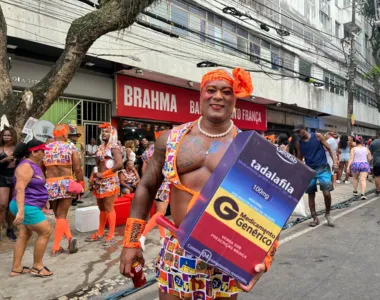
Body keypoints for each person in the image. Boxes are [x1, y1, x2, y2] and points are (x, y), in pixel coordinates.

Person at [120, 68, 278, 299]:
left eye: (226, 91)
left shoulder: (249, 148)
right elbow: (146, 186)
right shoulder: (171, 139)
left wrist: (264, 257)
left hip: (225, 253)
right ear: (201, 95)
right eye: (211, 90)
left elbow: (269, 206)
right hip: (178, 246)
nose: (218, 96)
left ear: (235, 99)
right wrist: (132, 242)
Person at [9, 139, 53, 277]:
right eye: (43, 151)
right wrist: (21, 212)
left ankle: (16, 268)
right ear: (34, 152)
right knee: (45, 232)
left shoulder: (34, 165)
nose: (45, 153)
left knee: (24, 234)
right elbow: (20, 189)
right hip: (26, 206)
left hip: (29, 204)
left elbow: (36, 186)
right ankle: (37, 267)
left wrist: (44, 200)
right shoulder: (26, 166)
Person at [43, 124, 84, 256]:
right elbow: (77, 168)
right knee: (62, 216)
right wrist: (81, 182)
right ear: (65, 135)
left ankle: (70, 239)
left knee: (58, 216)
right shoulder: (70, 146)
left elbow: (40, 168)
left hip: (50, 183)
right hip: (66, 182)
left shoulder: (45, 148)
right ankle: (56, 247)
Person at [87, 123, 123, 247]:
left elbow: (119, 164)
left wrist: (105, 174)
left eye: (107, 132)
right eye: (103, 132)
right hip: (99, 181)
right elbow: (96, 164)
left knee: (109, 207)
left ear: (112, 134)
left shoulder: (114, 147)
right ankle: (100, 232)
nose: (104, 134)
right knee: (101, 207)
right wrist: (93, 177)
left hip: (110, 181)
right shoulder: (100, 147)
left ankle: (111, 234)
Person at [294, 125, 338, 227]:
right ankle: (315, 218)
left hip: (323, 168)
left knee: (326, 193)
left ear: (304, 130)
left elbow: (330, 148)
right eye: (296, 132)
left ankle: (327, 214)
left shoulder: (317, 136)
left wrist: (335, 162)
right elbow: (300, 158)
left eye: (298, 131)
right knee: (311, 194)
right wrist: (298, 170)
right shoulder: (299, 143)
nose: (297, 134)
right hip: (309, 170)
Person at [138, 142, 170, 251]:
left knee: (158, 211)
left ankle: (162, 237)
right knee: (161, 213)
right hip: (164, 183)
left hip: (151, 183)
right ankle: (142, 236)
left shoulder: (149, 150)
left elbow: (143, 169)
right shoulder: (169, 148)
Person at [0, 127, 18, 241]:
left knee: (13, 206)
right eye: (5, 135)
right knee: (2, 205)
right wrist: (3, 161)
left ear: (13, 136)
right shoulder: (0, 148)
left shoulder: (17, 148)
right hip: (2, 177)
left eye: (9, 135)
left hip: (16, 177)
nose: (7, 137)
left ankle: (10, 229)